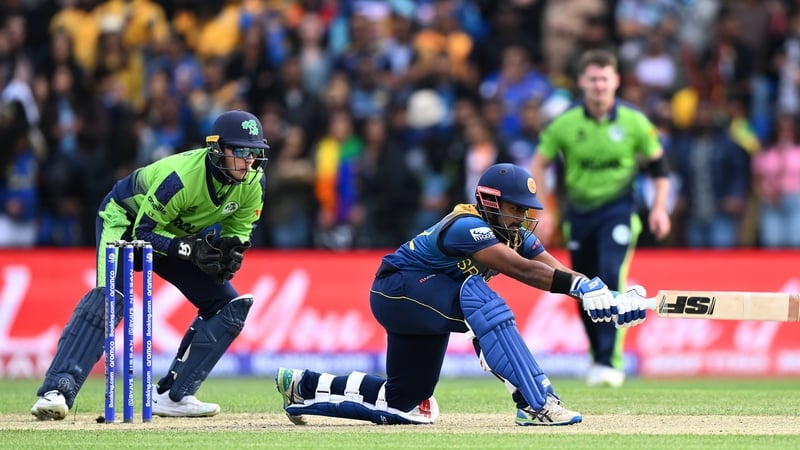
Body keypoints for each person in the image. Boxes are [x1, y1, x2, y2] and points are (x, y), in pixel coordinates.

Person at [275, 163, 648, 426]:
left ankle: (303, 384)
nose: (523, 217)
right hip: (398, 290)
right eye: (515, 209)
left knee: (407, 402)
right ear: (489, 201)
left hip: (424, 302)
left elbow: (559, 272)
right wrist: (580, 288)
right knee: (480, 299)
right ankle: (534, 401)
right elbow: (521, 269)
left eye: (526, 210)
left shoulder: (515, 234)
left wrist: (605, 294)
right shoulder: (466, 225)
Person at [30, 110, 269, 420]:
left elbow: (238, 233)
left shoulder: (253, 184)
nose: (248, 161)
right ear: (216, 149)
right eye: (239, 151)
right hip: (126, 222)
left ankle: (173, 396)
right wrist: (190, 250)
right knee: (110, 299)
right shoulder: (180, 178)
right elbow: (143, 233)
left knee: (228, 306)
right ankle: (57, 390)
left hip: (174, 233)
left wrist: (227, 257)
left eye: (254, 152)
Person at [529, 49, 670, 388]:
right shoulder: (566, 122)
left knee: (609, 274)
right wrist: (544, 209)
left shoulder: (634, 122)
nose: (599, 86)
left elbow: (659, 168)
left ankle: (610, 361)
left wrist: (659, 207)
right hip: (578, 213)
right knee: (585, 285)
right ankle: (597, 358)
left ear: (616, 81)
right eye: (592, 79)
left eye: (605, 79)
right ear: (581, 82)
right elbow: (537, 164)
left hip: (619, 209)